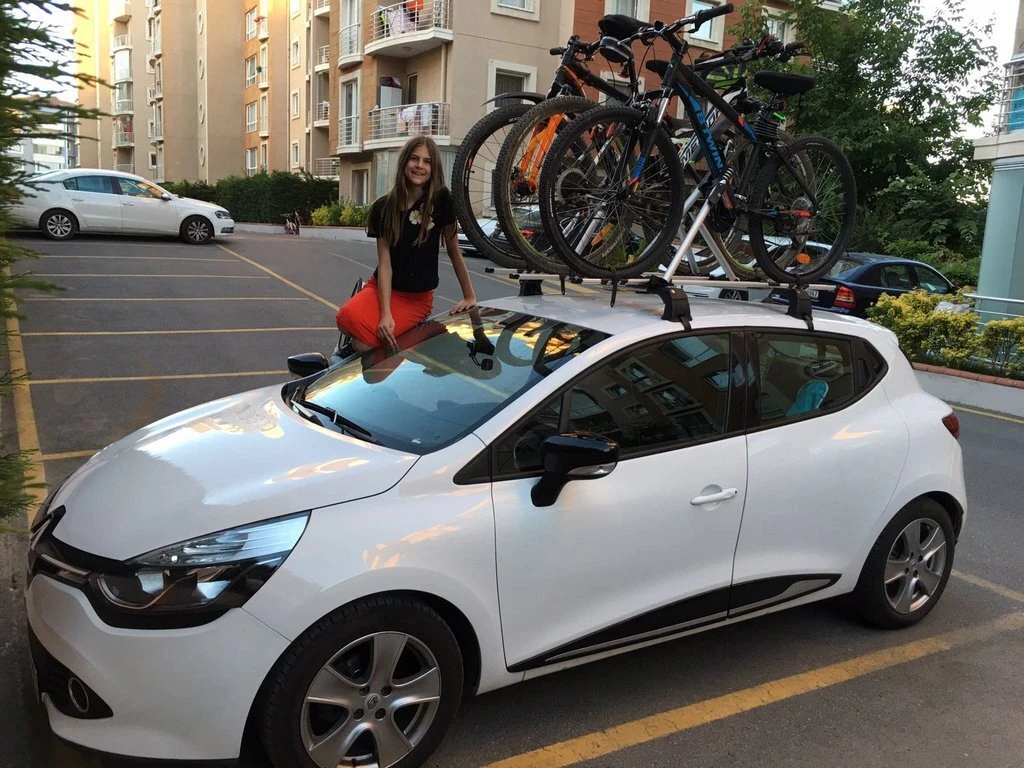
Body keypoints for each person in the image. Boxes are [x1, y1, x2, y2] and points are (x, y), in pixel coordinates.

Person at [335, 135, 476, 355]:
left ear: (433, 168)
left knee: (363, 345)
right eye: (414, 159)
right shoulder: (383, 207)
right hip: (382, 288)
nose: (420, 166)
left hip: (416, 299)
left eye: (427, 161)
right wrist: (385, 314)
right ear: (404, 162)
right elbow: (385, 265)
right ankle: (385, 331)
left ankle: (388, 341)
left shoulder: (441, 200)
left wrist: (469, 296)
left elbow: (454, 250)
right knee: (344, 318)